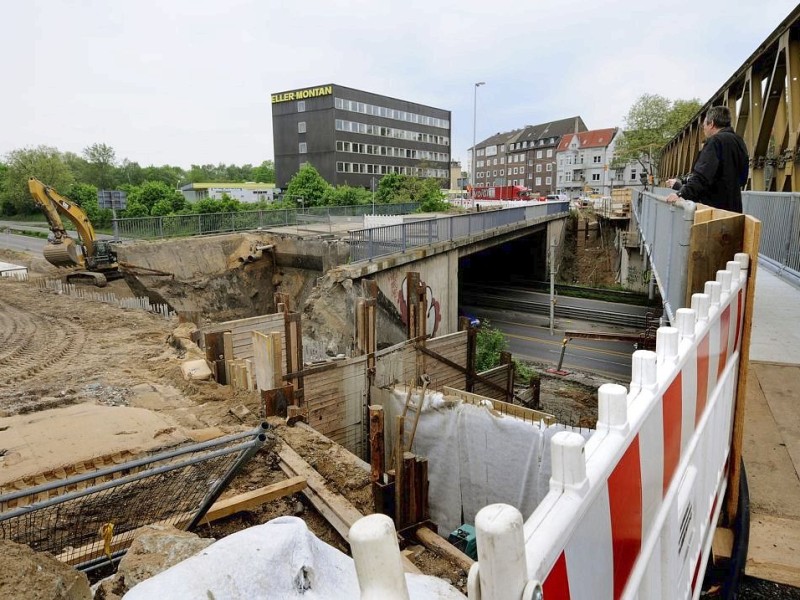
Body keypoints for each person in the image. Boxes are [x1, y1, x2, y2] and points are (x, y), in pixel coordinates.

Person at [665, 106, 749, 212]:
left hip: (713, 211)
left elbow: (702, 176)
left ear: (712, 124)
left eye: (704, 124)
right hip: (735, 209)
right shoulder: (739, 142)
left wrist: (680, 193)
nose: (703, 127)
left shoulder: (715, 141)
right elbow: (742, 179)